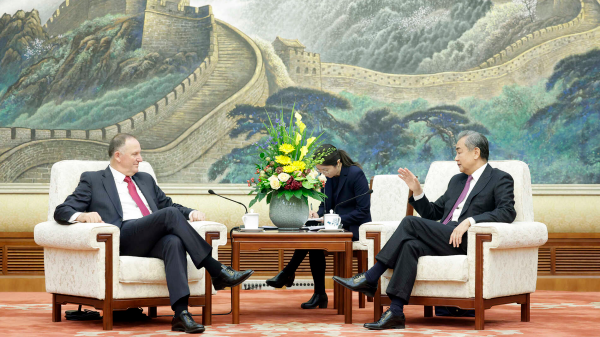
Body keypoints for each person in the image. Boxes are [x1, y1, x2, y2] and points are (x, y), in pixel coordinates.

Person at [54, 133, 254, 334]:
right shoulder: (94, 179)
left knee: (174, 242)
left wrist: (191, 212)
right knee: (169, 216)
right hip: (122, 237)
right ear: (118, 156)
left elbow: (168, 205)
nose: (140, 159)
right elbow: (61, 210)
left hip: (151, 237)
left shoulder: (145, 179)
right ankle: (216, 270)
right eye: (135, 154)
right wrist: (82, 216)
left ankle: (181, 315)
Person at [333, 131, 516, 330]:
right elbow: (432, 213)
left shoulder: (499, 178)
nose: (455, 158)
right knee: (410, 245)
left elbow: (507, 212)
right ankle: (395, 312)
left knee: (410, 222)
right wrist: (417, 191)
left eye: (459, 152)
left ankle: (370, 277)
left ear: (475, 152)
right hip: (444, 236)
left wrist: (470, 221)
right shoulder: (457, 181)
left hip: (467, 241)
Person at [266, 144, 372, 309]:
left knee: (314, 242)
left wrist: (334, 219)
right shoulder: (327, 178)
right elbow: (325, 204)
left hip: (353, 227)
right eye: (320, 171)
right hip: (333, 227)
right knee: (312, 240)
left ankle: (290, 274)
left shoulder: (355, 174)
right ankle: (318, 293)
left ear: (338, 163)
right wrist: (317, 214)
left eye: (325, 170)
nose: (323, 174)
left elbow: (363, 211)